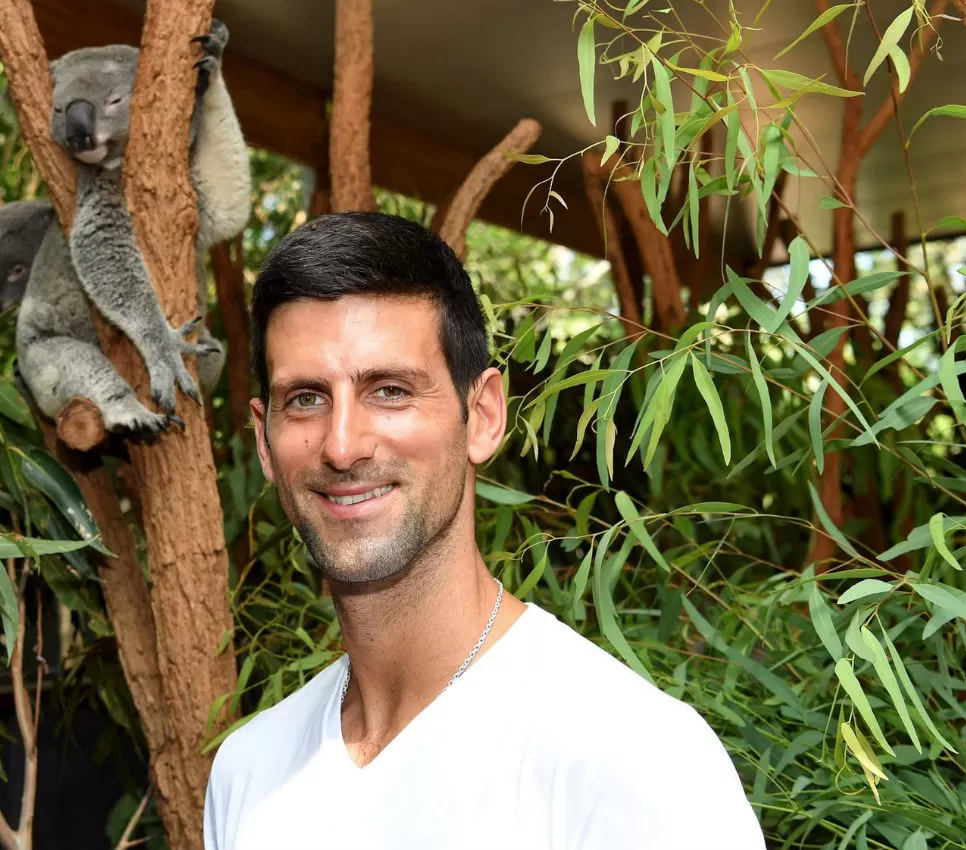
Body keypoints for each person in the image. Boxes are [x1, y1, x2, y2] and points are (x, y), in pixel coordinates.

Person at [202, 212, 766, 850]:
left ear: (484, 417)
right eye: (305, 398)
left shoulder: (632, 759)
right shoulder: (248, 770)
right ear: (264, 440)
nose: (341, 445)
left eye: (389, 390)